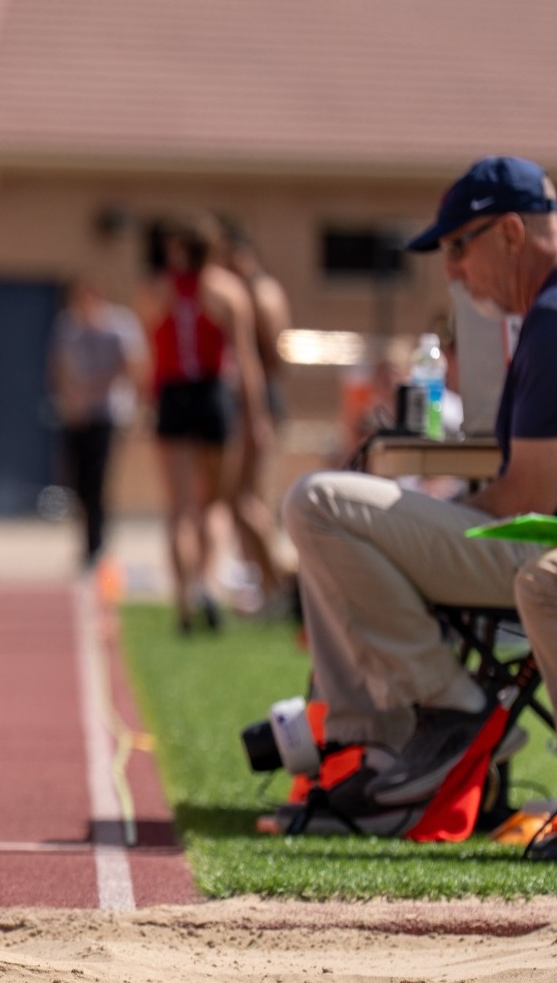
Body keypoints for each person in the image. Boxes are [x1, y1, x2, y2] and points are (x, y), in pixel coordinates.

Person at [284, 155, 557, 817]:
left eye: (458, 246)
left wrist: (431, 520)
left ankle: (445, 709)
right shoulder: (539, 315)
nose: (451, 271)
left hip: (537, 544)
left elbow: (529, 498)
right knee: (343, 527)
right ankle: (374, 745)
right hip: (531, 541)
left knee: (318, 503)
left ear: (512, 234)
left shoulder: (551, 315)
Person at [138, 215, 270, 634]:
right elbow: (246, 362)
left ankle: (182, 599)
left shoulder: (155, 292)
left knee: (179, 508)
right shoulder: (226, 292)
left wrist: (147, 401)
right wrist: (256, 415)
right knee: (213, 503)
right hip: (211, 395)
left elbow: (149, 356)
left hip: (173, 396)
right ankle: (206, 585)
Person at [216, 217, 292, 610]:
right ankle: (265, 582)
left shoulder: (261, 294)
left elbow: (274, 358)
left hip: (258, 401)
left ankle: (276, 583)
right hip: (250, 401)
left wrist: (257, 413)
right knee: (240, 499)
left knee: (248, 498)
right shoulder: (248, 292)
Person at [48, 276, 144, 570]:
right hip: (77, 414)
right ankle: (86, 541)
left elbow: (131, 366)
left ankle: (98, 542)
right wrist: (69, 398)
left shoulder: (119, 325)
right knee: (77, 481)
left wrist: (94, 389)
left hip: (107, 413)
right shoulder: (69, 326)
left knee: (98, 480)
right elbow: (58, 365)